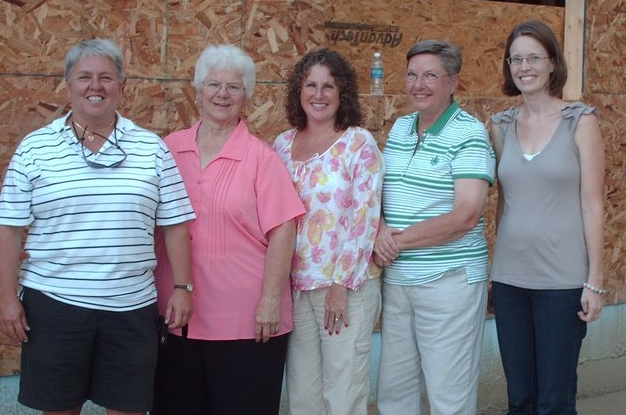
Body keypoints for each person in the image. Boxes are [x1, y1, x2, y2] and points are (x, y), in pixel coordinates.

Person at [0, 38, 195, 415]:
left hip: (130, 308)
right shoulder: (35, 149)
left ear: (122, 86)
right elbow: (8, 228)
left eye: (106, 77)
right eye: (84, 77)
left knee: (128, 410)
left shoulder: (152, 149)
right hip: (54, 306)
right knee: (60, 409)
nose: (95, 86)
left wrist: (182, 287)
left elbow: (176, 224)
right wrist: (6, 298)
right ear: (68, 86)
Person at [151, 44, 306, 415]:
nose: (222, 94)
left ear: (246, 96)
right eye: (213, 84)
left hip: (247, 323)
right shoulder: (168, 149)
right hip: (176, 317)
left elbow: (284, 230)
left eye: (233, 87)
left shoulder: (261, 158)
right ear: (198, 90)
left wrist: (270, 299)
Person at [489, 20, 606, 415]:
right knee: (520, 398)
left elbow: (593, 204)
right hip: (509, 281)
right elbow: (504, 202)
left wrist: (596, 281)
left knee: (554, 401)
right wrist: (492, 270)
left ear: (553, 64)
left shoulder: (580, 121)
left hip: (562, 282)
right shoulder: (501, 126)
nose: (525, 67)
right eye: (516, 59)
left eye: (534, 57)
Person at [374, 40, 495, 415]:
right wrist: (379, 229)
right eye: (412, 75)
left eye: (430, 76)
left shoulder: (470, 134)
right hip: (398, 281)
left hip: (449, 281)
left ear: (453, 82)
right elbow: (377, 192)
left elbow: (465, 216)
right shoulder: (400, 128)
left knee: (449, 397)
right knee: (395, 393)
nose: (418, 85)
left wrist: (395, 242)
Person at [273, 48, 385, 415]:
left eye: (328, 86)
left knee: (343, 395)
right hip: (295, 288)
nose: (318, 94)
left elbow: (364, 218)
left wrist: (340, 286)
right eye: (311, 85)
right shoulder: (282, 146)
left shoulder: (357, 143)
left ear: (343, 94)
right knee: (303, 397)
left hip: (344, 287)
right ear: (298, 91)